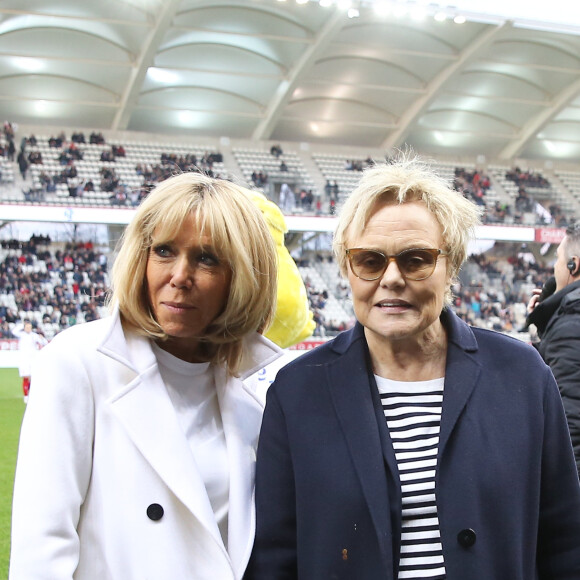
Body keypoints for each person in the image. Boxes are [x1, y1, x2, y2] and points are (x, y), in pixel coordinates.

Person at [247, 155, 580, 579]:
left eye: (415, 259)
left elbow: (565, 543)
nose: (391, 278)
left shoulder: (522, 375)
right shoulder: (296, 392)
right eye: (370, 260)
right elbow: (276, 557)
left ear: (451, 267)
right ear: (348, 269)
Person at [10, 172, 282, 580]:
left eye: (206, 258)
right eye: (165, 251)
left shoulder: (262, 385)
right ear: (141, 259)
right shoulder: (76, 362)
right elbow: (42, 548)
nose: (179, 276)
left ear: (242, 277)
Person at [526, 222, 580, 475]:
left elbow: (571, 424)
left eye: (558, 259)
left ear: (573, 265)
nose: (554, 268)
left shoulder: (571, 324)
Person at [12, 320, 47, 403]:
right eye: (27, 327)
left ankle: (31, 394)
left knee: (33, 377)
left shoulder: (34, 336)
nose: (28, 329)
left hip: (33, 359)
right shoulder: (21, 335)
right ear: (24, 328)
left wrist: (42, 338)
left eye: (30, 327)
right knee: (25, 377)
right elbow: (14, 331)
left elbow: (44, 342)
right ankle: (26, 395)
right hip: (24, 360)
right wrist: (22, 324)